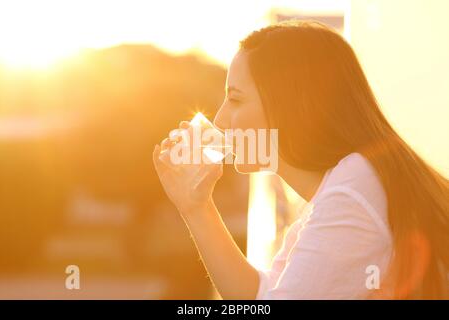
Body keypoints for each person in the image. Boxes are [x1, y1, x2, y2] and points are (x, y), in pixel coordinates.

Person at [153, 20, 449, 299]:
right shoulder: (345, 185)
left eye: (236, 99)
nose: (220, 118)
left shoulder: (350, 195)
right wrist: (196, 208)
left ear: (290, 104)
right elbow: (262, 293)